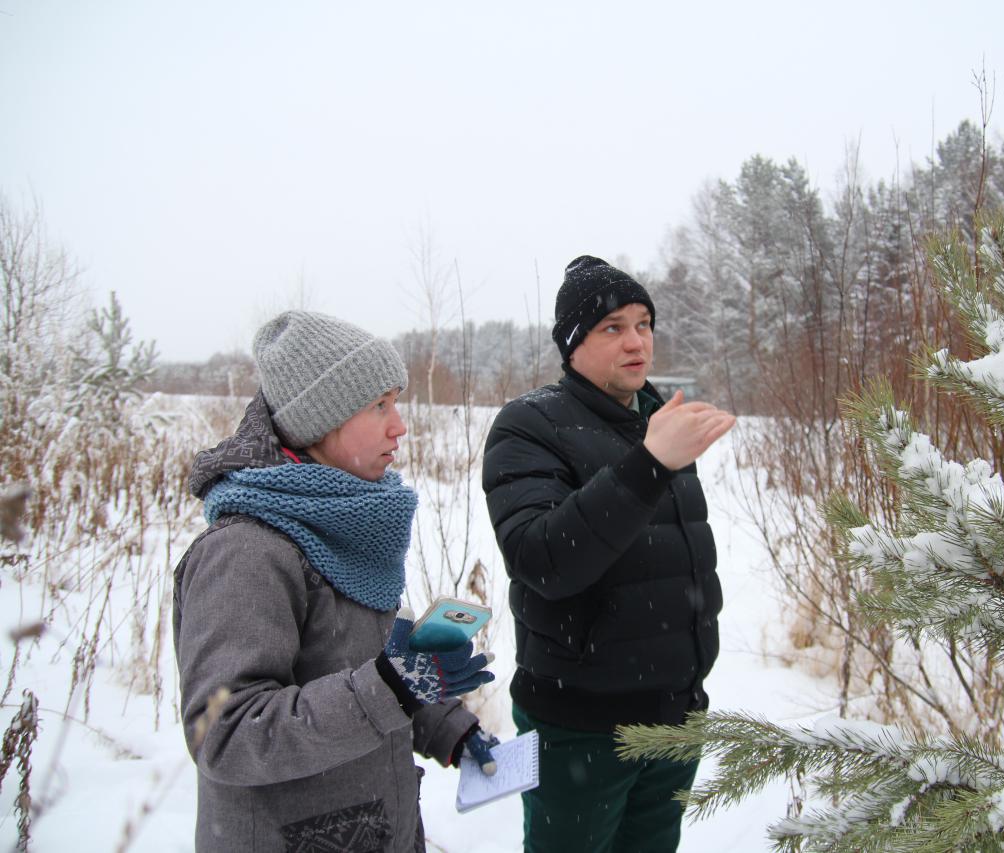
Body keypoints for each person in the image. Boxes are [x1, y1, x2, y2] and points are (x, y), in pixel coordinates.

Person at [173, 310, 498, 853]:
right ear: (317, 421)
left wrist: (444, 725)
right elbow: (226, 735)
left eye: (396, 402)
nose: (400, 425)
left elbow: (366, 666)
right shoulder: (246, 552)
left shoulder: (348, 523)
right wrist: (393, 688)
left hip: (374, 830)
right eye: (379, 406)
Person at [482, 256, 736, 852]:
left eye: (644, 323)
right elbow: (542, 559)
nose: (636, 341)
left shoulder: (656, 418)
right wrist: (649, 464)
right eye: (612, 327)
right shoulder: (529, 425)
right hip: (582, 728)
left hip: (676, 715)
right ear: (573, 344)